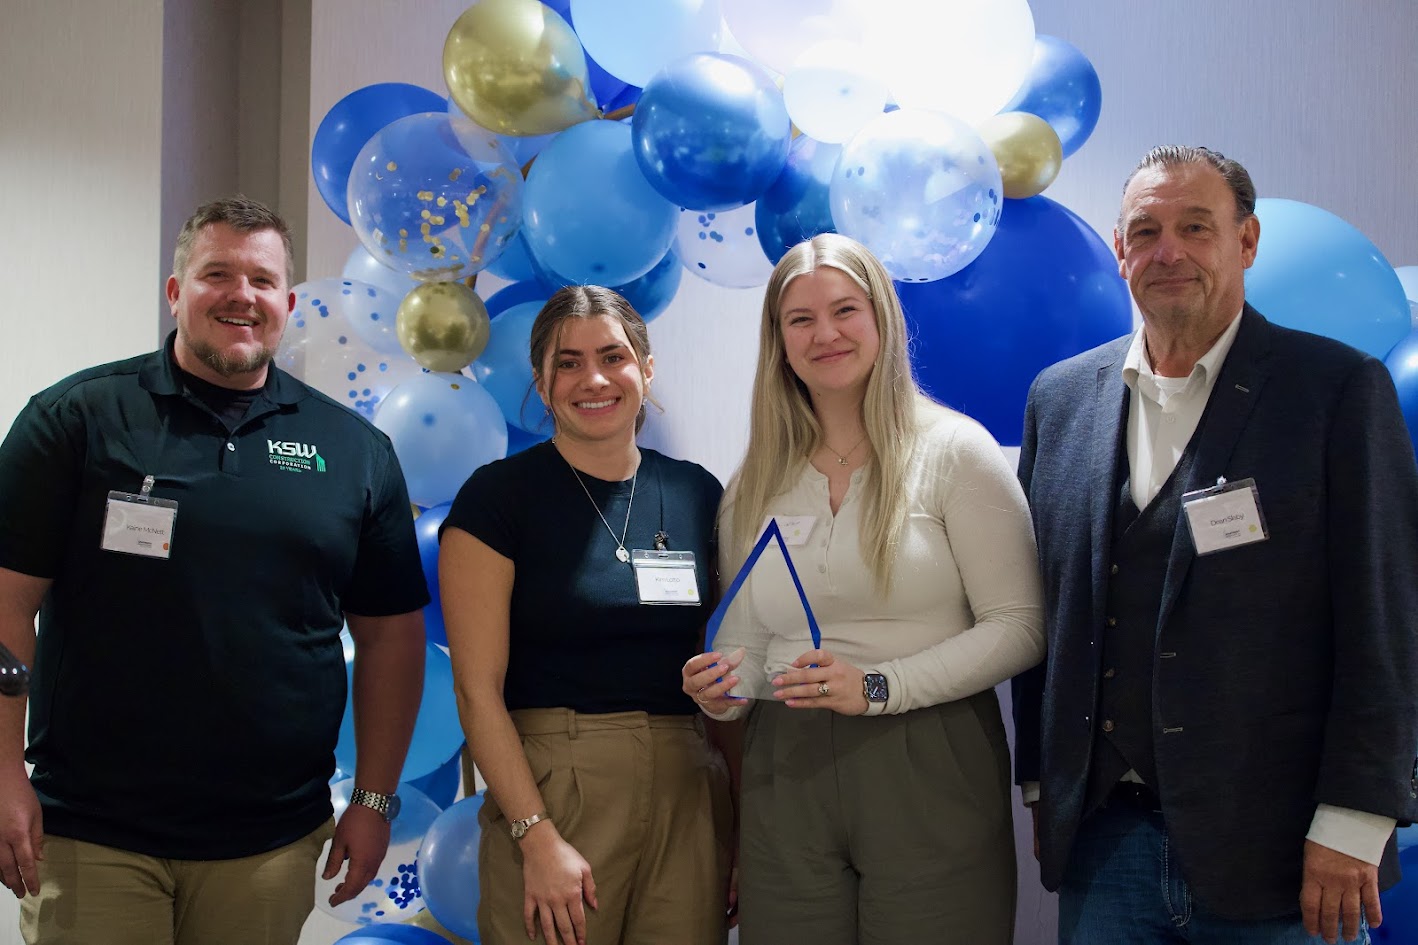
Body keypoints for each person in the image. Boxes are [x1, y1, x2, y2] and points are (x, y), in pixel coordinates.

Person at [1012, 146, 1418, 945]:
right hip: (1105, 844)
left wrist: (1356, 817)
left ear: (1247, 241)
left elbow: (1387, 619)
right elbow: (1042, 609)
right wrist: (1041, 785)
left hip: (1286, 850)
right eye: (1146, 231)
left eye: (1196, 227)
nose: (1168, 251)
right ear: (1120, 249)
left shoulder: (1333, 390)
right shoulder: (1058, 399)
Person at [0, 196, 429, 945]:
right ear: (176, 292)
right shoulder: (79, 417)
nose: (242, 295)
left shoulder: (354, 450)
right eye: (217, 274)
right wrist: (4, 772)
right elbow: (7, 606)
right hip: (95, 833)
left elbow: (391, 637)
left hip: (270, 842)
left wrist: (373, 799)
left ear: (287, 303)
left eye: (262, 280)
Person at [682, 232, 1046, 944]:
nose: (825, 334)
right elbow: (746, 646)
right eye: (801, 319)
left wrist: (880, 686)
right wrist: (722, 687)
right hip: (785, 766)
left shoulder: (955, 451)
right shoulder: (753, 483)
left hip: (927, 752)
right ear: (779, 342)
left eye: (845, 310)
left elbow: (1021, 625)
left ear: (882, 318)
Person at [439, 285, 734, 945]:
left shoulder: (696, 492)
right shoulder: (499, 497)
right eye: (568, 362)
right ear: (542, 383)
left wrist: (735, 824)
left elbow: (723, 669)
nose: (593, 379)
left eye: (612, 356)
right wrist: (535, 834)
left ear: (646, 369)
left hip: (688, 786)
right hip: (554, 789)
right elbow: (476, 691)